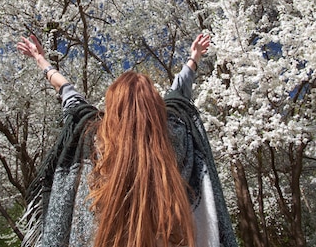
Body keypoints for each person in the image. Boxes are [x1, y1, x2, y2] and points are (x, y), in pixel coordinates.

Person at [17, 34, 237, 247]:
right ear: (157, 107)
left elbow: (67, 92)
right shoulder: (177, 136)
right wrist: (194, 57)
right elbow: (179, 92)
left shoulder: (92, 139)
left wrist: (40, 59)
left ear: (112, 108)